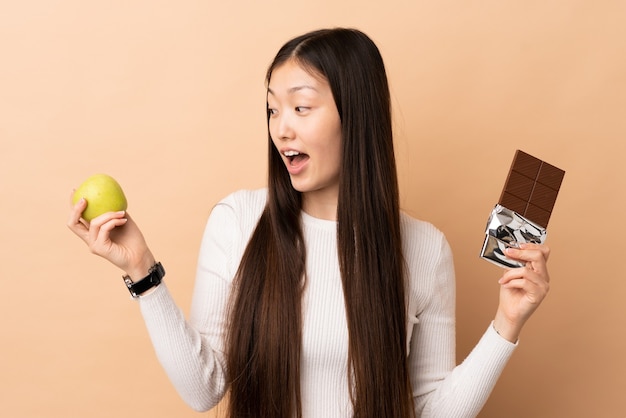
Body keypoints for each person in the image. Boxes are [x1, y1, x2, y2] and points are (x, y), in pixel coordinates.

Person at [67, 28, 551, 418]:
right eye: (273, 109)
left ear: (356, 117)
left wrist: (507, 323)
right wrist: (142, 270)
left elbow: (433, 411)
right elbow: (204, 390)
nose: (281, 128)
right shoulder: (236, 222)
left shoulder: (424, 248)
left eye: (301, 107)